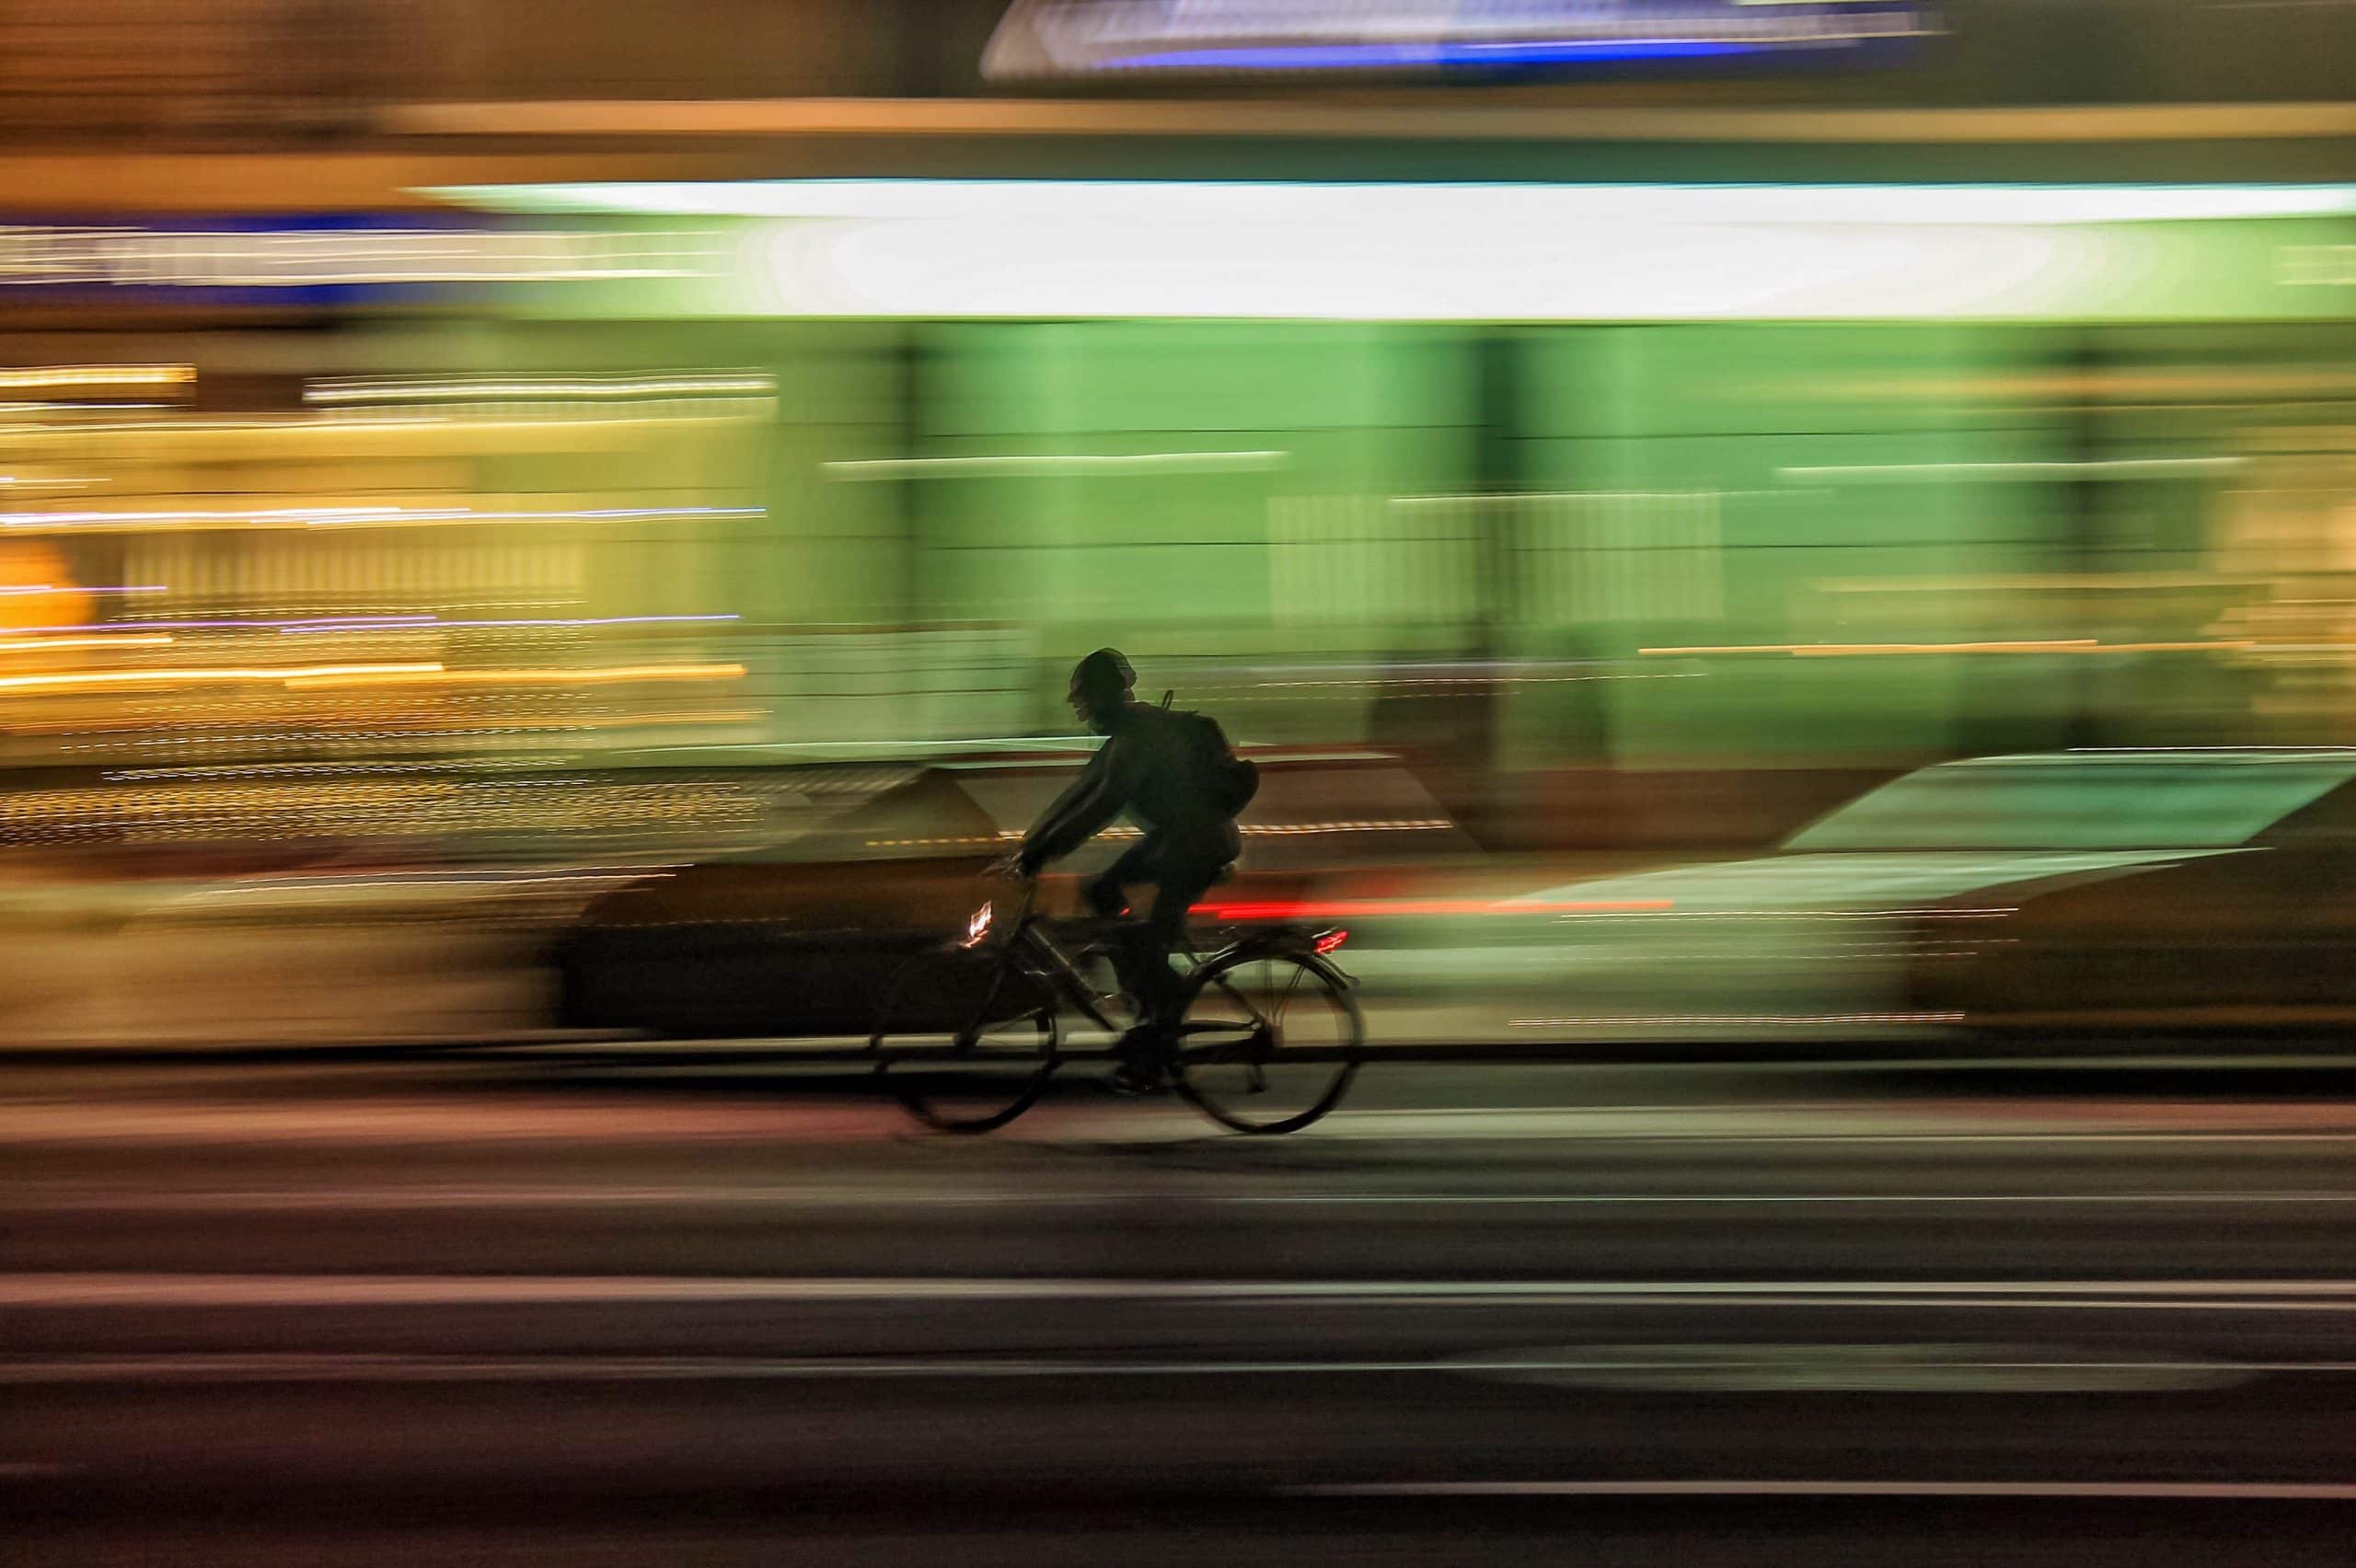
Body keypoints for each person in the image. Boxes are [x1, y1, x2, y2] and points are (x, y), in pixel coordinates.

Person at [1014, 649, 1247, 1093]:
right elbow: (1078, 795)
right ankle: (1146, 1001)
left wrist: (1042, 855)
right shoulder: (1124, 738)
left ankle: (1158, 1034)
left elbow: (1102, 805)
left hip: (1196, 846)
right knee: (1102, 892)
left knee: (1153, 944)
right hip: (1176, 840)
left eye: (1082, 696)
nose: (1076, 706)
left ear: (1105, 694)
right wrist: (1029, 845)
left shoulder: (1139, 738)